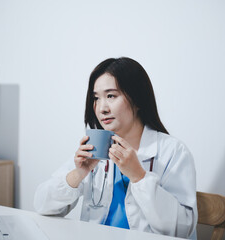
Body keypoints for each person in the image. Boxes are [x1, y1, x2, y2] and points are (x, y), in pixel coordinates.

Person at [34, 57, 197, 239]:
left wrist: (138, 176)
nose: (102, 108)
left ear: (137, 100)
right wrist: (78, 174)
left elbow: (182, 229)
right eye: (96, 98)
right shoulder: (95, 148)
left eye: (111, 96)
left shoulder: (172, 151)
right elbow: (42, 205)